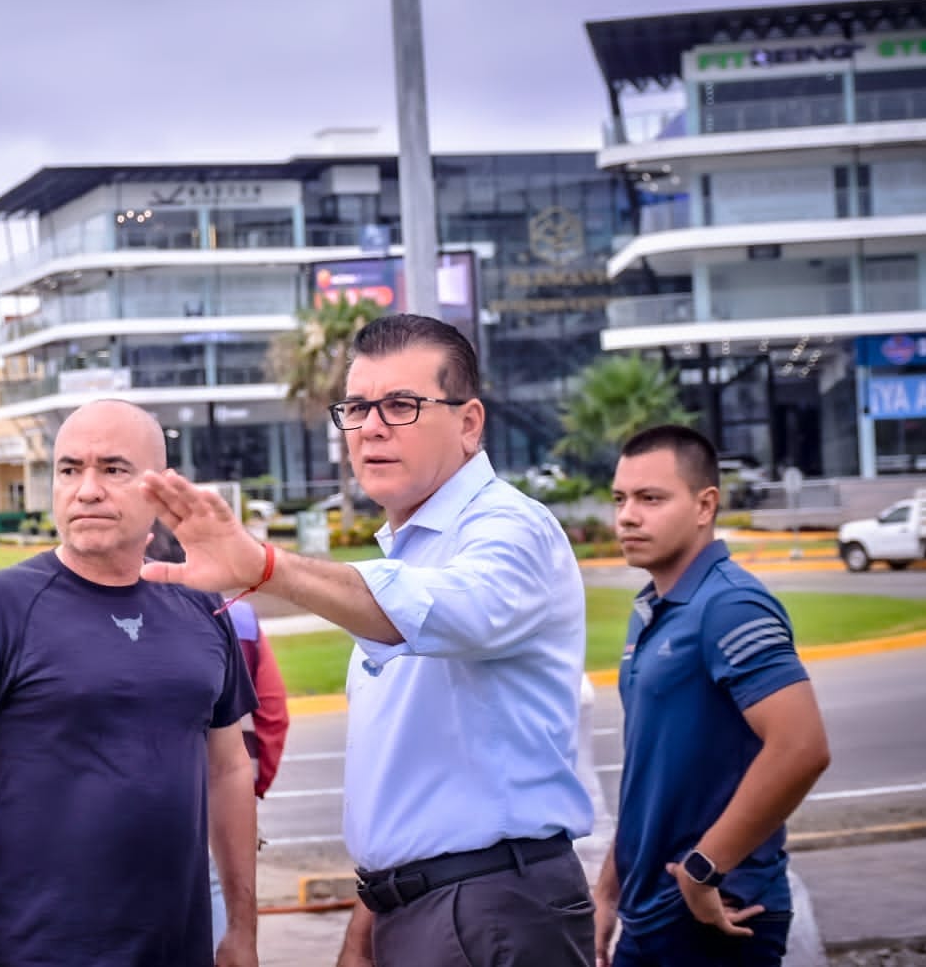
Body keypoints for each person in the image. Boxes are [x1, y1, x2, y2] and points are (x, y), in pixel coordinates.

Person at [139, 313, 596, 967]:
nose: (372, 427)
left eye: (401, 405)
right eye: (356, 407)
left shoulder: (509, 531)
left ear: (468, 424)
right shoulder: (406, 554)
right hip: (416, 907)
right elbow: (414, 780)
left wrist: (268, 567)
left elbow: (443, 611)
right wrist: (371, 916)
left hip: (494, 908)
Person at [0, 400, 260, 967]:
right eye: (70, 470)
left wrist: (243, 929)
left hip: (180, 949)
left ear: (161, 489)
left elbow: (229, 768)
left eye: (113, 469)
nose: (86, 489)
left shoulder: (199, 604)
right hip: (36, 950)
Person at [595, 426, 830, 967]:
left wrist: (707, 867)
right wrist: (608, 893)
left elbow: (802, 747)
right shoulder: (652, 608)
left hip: (718, 914)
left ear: (705, 506)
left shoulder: (731, 604)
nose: (627, 516)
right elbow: (654, 779)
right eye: (620, 499)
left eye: (650, 498)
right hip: (651, 912)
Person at [146, 522, 290, 948]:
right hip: (215, 812)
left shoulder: (119, 615)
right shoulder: (234, 616)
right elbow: (271, 715)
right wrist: (249, 793)